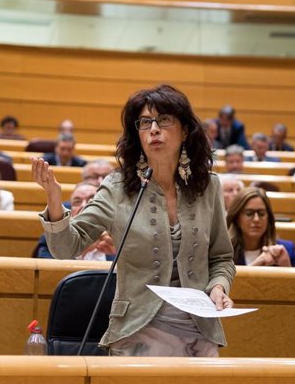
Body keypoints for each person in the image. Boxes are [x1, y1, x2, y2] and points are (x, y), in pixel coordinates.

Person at [31, 84, 235, 357]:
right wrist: (55, 202)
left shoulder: (208, 186)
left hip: (200, 330)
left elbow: (221, 258)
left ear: (185, 130)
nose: (154, 129)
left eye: (164, 120)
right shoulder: (118, 187)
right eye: (146, 122)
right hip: (137, 328)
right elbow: (66, 247)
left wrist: (219, 287)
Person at [34, 181, 116, 261]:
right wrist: (82, 247)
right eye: (77, 202)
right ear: (70, 211)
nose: (83, 205)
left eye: (92, 200)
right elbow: (48, 273)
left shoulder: (119, 239)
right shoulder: (52, 241)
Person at [226, 187, 295, 267]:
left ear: (269, 218)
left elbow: (293, 279)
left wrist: (286, 265)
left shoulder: (286, 250)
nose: (256, 219)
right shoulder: (223, 252)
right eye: (249, 213)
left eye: (261, 214)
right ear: (237, 218)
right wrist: (258, 263)